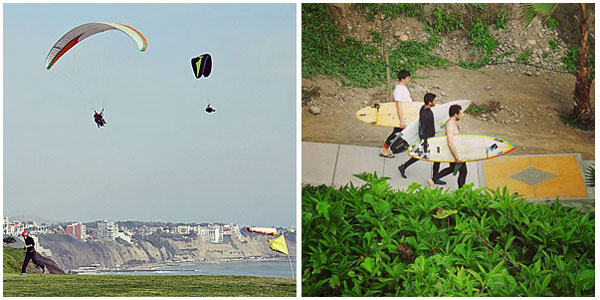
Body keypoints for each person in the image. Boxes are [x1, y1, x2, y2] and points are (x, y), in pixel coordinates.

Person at [397, 93, 444, 184]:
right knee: (437, 158)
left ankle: (403, 167)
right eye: (434, 100)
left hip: (429, 137)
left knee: (419, 155)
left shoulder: (424, 108)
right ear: (430, 102)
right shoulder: (427, 114)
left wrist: (433, 131)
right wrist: (425, 141)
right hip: (428, 139)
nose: (436, 102)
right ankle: (435, 178)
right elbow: (423, 128)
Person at [427, 104, 468, 189]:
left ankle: (433, 180)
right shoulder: (450, 125)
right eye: (460, 113)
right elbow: (450, 142)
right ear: (455, 114)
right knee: (463, 171)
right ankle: (461, 191)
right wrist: (456, 156)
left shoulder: (453, 123)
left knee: (452, 168)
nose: (461, 115)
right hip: (454, 152)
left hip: (456, 151)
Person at [380, 70, 413, 158]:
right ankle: (384, 150)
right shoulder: (399, 90)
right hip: (402, 116)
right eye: (408, 78)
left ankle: (404, 146)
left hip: (406, 115)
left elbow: (393, 100)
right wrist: (401, 121)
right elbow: (398, 105)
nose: (409, 80)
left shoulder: (401, 87)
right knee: (396, 133)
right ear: (403, 79)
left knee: (402, 132)